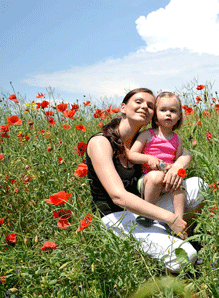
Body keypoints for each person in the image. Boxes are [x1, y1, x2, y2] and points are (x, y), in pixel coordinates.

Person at [85, 88, 204, 272]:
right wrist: (169, 217)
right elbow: (118, 197)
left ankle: (167, 231)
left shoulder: (138, 141)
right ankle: (166, 234)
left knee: (199, 185)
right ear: (123, 107)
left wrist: (178, 166)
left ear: (153, 116)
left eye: (150, 105)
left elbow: (185, 153)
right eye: (138, 102)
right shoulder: (101, 142)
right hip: (118, 217)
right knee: (187, 256)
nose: (144, 107)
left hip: (144, 207)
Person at [127, 92, 187, 239]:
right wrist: (148, 158)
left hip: (166, 180)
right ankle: (147, 213)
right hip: (147, 180)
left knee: (180, 184)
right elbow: (132, 155)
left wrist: (175, 172)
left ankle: (179, 220)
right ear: (155, 115)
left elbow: (178, 160)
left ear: (179, 116)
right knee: (156, 176)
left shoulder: (177, 139)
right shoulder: (148, 134)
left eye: (173, 111)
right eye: (163, 110)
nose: (168, 114)